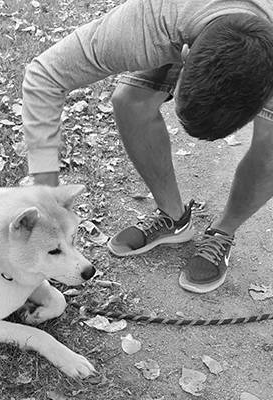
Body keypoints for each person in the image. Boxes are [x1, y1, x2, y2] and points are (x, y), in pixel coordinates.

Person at [21, 0, 273, 294]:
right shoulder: (151, 20)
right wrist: (46, 187)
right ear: (185, 55)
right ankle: (174, 218)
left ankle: (223, 230)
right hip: (186, 19)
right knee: (130, 102)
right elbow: (45, 75)